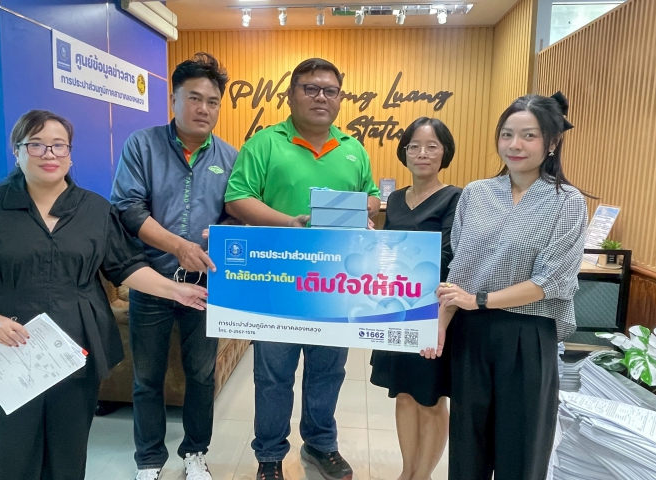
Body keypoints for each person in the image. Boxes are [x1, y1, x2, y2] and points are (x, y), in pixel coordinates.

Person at [0, 109, 208, 480]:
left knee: (68, 451)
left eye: (58, 145)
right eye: (36, 144)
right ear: (17, 151)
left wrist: (175, 290)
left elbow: (127, 267)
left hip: (76, 343)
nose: (49, 154)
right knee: (12, 452)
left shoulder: (95, 210)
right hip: (11, 343)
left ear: (70, 153)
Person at [225, 57, 380, 480]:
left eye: (330, 90)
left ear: (340, 98)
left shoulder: (352, 149)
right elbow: (237, 199)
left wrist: (363, 210)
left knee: (328, 370)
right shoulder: (264, 144)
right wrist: (288, 223)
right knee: (272, 374)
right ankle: (269, 456)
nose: (321, 97)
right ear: (291, 95)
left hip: (334, 284)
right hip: (276, 281)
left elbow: (371, 195)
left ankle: (320, 445)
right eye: (310, 88)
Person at [421, 92, 589, 480]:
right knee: (468, 447)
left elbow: (552, 280)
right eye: (507, 134)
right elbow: (460, 268)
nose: (515, 145)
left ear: (551, 143)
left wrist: (479, 299)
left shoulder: (567, 202)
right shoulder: (476, 193)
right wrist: (441, 322)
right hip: (471, 334)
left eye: (529, 136)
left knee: (522, 450)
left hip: (527, 335)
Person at [110, 53, 236, 480]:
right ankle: (149, 459)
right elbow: (128, 208)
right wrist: (179, 246)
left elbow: (235, 213)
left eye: (213, 101)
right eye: (194, 98)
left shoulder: (229, 156)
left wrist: (221, 234)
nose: (204, 109)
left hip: (205, 285)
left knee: (201, 374)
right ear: (173, 100)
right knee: (147, 377)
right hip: (152, 281)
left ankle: (195, 452)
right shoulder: (142, 145)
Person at [369, 117, 461, 480]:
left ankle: (422, 476)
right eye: (414, 146)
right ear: (404, 152)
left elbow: (451, 256)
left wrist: (398, 254)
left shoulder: (456, 198)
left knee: (431, 399)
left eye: (432, 146)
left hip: (434, 313)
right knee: (404, 394)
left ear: (445, 153)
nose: (422, 153)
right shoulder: (393, 199)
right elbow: (386, 255)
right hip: (396, 310)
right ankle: (407, 472)